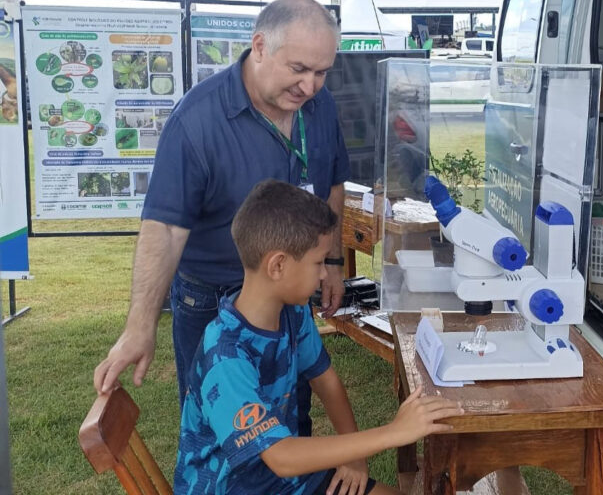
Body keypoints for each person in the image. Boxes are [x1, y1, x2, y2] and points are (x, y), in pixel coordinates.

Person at [94, 0, 349, 436]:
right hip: (212, 299)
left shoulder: (320, 107)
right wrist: (140, 326)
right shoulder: (196, 121)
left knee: (289, 413)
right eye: (299, 69)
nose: (310, 86)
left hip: (289, 291)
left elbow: (333, 187)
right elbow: (166, 228)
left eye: (321, 72)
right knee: (219, 432)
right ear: (260, 46)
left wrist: (330, 262)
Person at [174, 180, 463, 495]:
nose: (325, 274)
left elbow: (326, 382)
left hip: (281, 482)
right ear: (278, 265)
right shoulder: (225, 356)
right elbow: (282, 456)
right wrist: (395, 432)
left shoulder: (292, 312)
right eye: (318, 262)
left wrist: (355, 459)